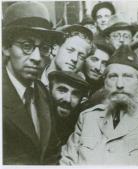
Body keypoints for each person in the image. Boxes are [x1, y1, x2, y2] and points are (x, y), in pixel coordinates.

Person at [60, 45, 138, 165]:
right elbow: (67, 162)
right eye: (113, 77)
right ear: (105, 83)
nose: (120, 84)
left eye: (127, 77)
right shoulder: (87, 117)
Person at [2, 2, 64, 164]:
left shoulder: (42, 92)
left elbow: (52, 153)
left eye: (44, 48)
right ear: (6, 48)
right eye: (27, 46)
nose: (37, 58)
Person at [48, 71, 89, 145]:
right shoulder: (37, 119)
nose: (68, 99)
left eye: (75, 94)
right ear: (50, 91)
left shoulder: (79, 127)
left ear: (81, 100)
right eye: (62, 90)